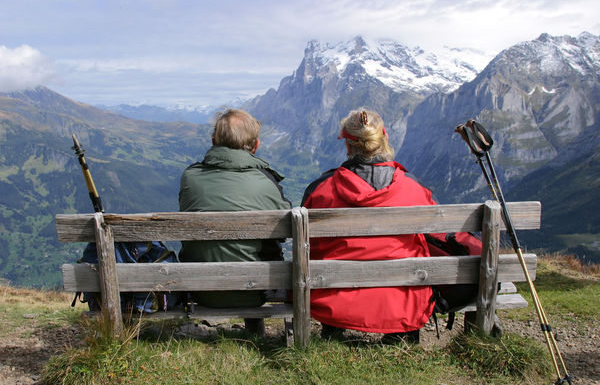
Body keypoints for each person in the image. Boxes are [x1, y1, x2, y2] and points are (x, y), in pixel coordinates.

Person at [301, 108, 436, 344]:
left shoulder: (321, 188)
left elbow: (306, 243)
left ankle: (333, 332)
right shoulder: (415, 189)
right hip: (403, 299)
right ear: (384, 138)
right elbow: (437, 236)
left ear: (348, 145)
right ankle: (402, 337)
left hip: (332, 298)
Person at [179, 108, 291, 336]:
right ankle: (254, 333)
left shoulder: (190, 178)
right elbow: (283, 232)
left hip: (200, 287)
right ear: (255, 146)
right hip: (254, 290)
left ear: (213, 141)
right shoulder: (265, 182)